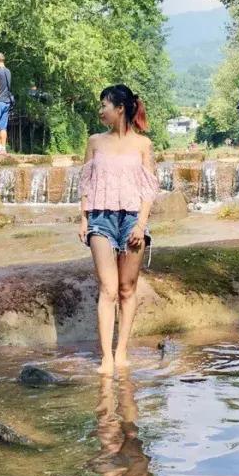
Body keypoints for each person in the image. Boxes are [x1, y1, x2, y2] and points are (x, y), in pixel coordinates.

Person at [78, 85, 158, 375]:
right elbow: (85, 182)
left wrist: (141, 224)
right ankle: (106, 358)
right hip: (100, 217)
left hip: (133, 219)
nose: (100, 111)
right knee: (108, 288)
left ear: (120, 108)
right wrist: (84, 218)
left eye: (104, 105)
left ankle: (121, 351)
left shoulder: (143, 145)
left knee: (127, 289)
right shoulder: (95, 141)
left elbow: (149, 188)